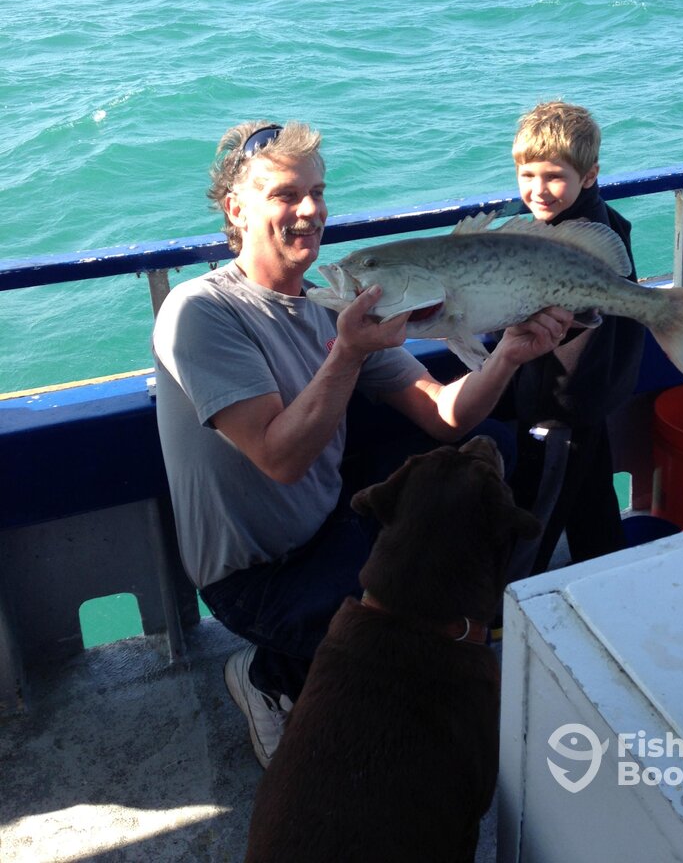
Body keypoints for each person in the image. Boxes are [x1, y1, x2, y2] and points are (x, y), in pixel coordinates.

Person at [152, 118, 573, 766]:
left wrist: (508, 357)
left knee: (490, 454)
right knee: (409, 647)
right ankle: (269, 678)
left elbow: (443, 416)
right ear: (238, 209)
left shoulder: (332, 307)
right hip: (257, 578)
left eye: (318, 192)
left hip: (331, 526)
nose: (311, 210)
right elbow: (279, 457)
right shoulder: (201, 311)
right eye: (286, 195)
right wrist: (347, 353)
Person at [506, 101, 645, 573]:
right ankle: (610, 581)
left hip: (561, 408)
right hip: (593, 401)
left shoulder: (570, 242)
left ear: (589, 176)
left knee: (533, 523)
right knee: (592, 509)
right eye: (527, 175)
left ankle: (509, 615)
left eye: (553, 176)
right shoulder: (604, 225)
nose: (537, 190)